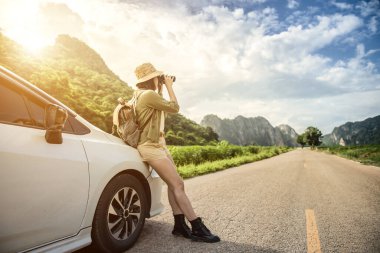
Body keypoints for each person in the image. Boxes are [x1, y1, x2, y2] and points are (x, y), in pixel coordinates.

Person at [133, 62, 220, 243]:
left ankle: (179, 225)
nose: (161, 79)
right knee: (178, 184)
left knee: (174, 185)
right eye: (159, 77)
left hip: (159, 145)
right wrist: (170, 86)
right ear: (152, 79)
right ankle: (197, 227)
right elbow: (174, 108)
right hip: (151, 146)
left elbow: (161, 107)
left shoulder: (144, 95)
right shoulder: (148, 95)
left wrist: (162, 88)